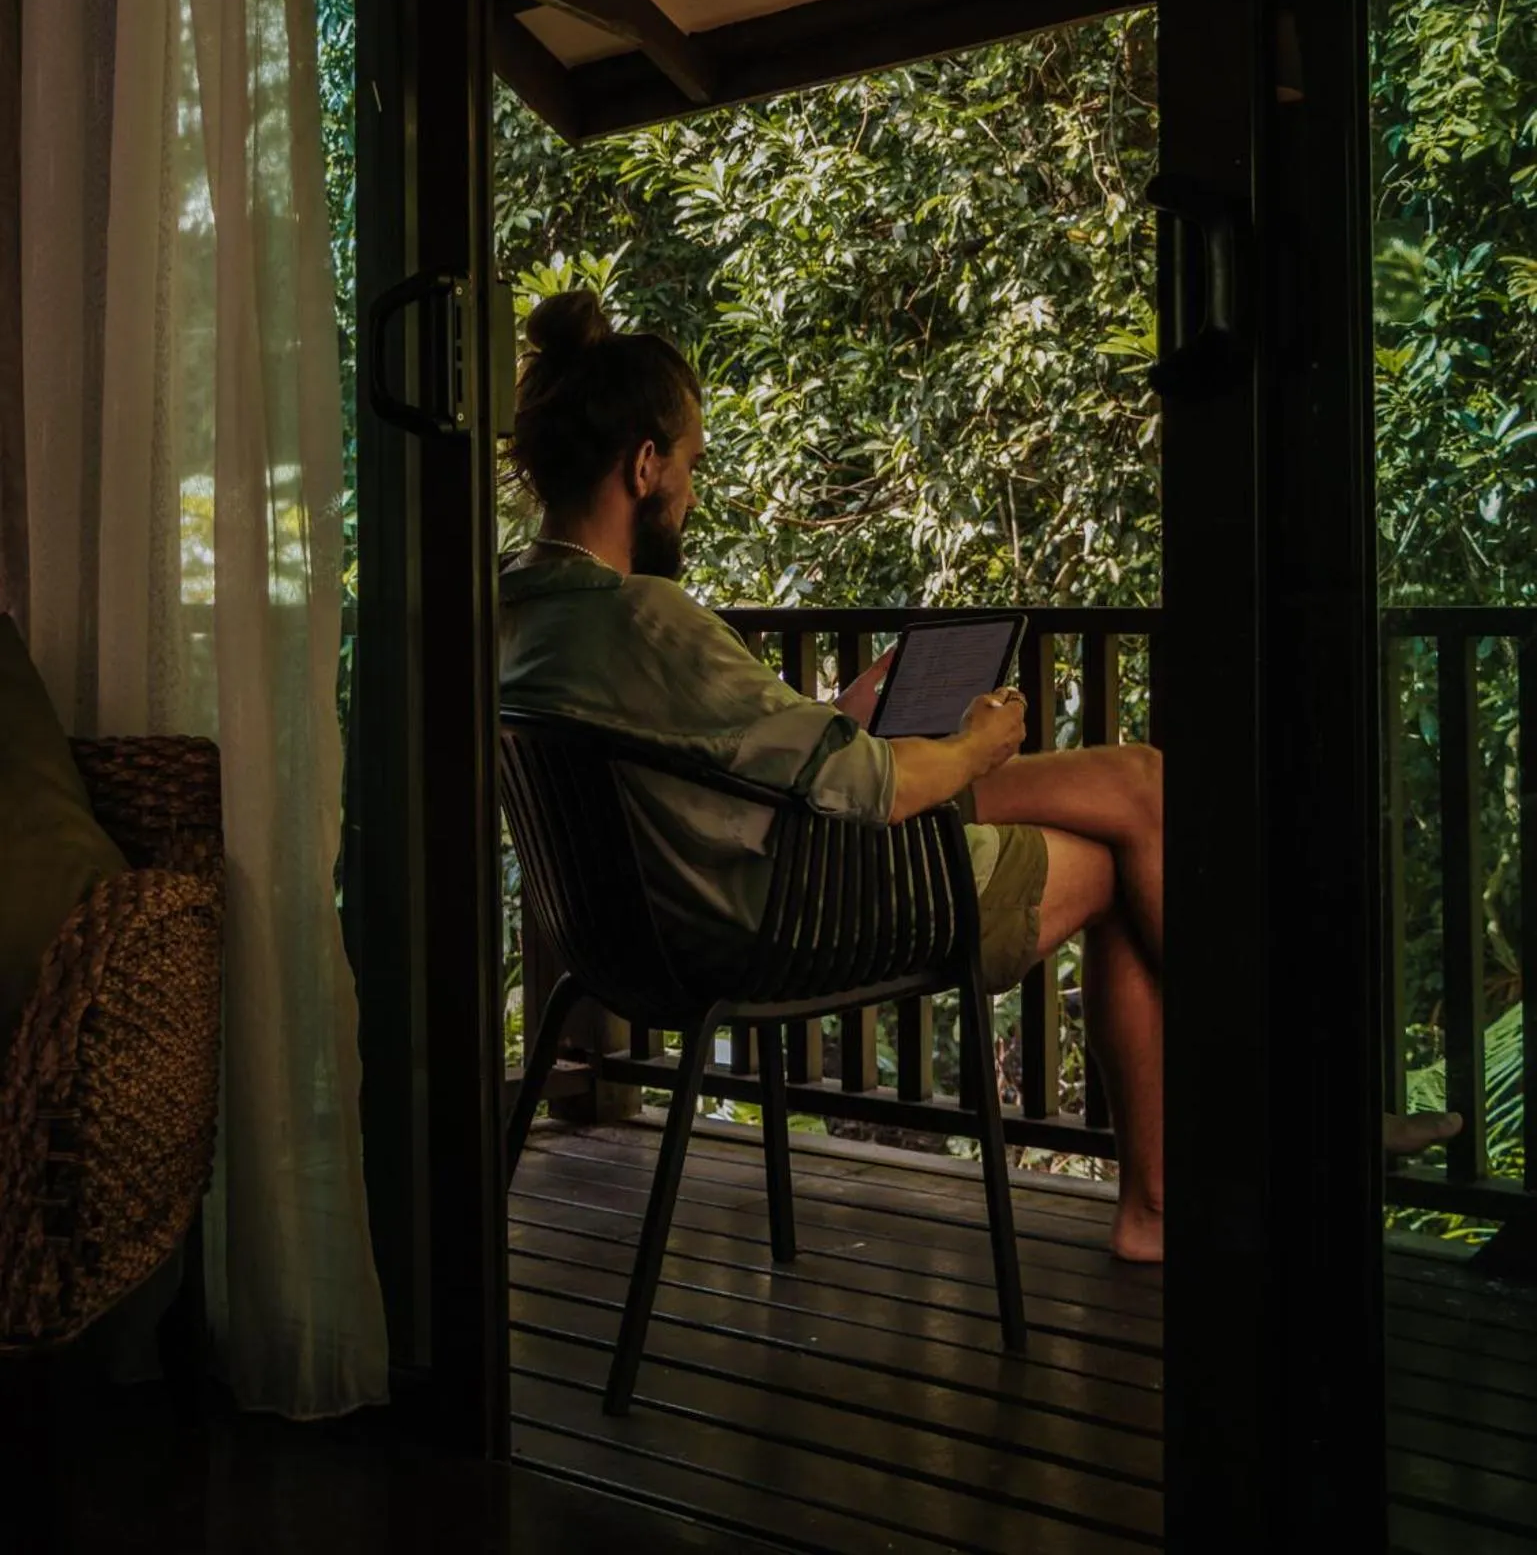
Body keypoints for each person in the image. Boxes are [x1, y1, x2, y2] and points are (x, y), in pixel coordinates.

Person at [499, 289, 1460, 1264]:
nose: (693, 494)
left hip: (644, 933)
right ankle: (1273, 1121)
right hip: (784, 907)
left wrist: (839, 714)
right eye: (693, 466)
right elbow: (874, 788)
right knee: (1129, 845)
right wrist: (975, 743)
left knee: (1139, 785)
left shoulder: (517, 611)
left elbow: (723, 758)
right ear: (645, 464)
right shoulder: (644, 616)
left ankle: (1189, 1181)